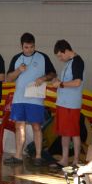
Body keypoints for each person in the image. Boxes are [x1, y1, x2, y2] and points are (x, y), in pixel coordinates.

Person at [5, 33, 56, 165]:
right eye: (26, 47)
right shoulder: (16, 58)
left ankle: (38, 156)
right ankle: (18, 156)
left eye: (32, 47)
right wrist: (18, 71)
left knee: (36, 126)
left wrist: (43, 78)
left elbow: (53, 74)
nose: (29, 50)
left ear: (35, 45)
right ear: (21, 46)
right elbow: (8, 78)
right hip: (19, 99)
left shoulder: (42, 57)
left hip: (35, 99)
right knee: (19, 127)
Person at [51, 40, 85, 168]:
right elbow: (66, 82)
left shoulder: (77, 61)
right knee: (64, 133)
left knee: (74, 132)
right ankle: (65, 159)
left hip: (71, 104)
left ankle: (76, 160)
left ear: (66, 51)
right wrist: (58, 81)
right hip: (63, 102)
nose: (60, 59)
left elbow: (77, 82)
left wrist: (61, 84)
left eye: (60, 55)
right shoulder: (68, 63)